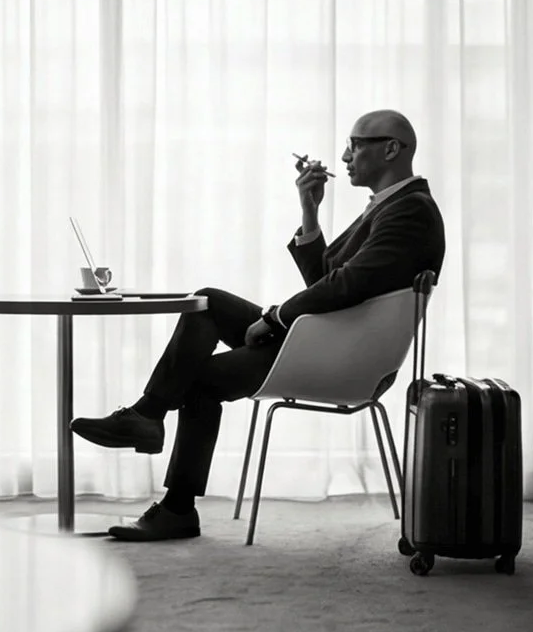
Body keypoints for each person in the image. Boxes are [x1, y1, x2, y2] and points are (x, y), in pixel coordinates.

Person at [70, 109, 446, 542]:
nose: (345, 155)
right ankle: (148, 415)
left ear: (392, 148)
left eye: (355, 144)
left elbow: (347, 284)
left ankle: (175, 503)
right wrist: (309, 211)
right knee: (206, 302)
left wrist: (275, 316)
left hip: (339, 355)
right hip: (325, 339)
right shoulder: (391, 206)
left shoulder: (410, 211)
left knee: (197, 379)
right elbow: (329, 284)